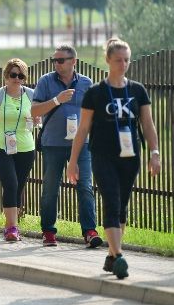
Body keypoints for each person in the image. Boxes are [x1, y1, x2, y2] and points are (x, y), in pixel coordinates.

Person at [68, 38, 161, 279]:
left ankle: (111, 255)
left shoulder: (137, 90)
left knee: (121, 205)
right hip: (103, 155)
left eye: (127, 60)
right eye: (118, 60)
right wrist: (73, 160)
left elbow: (148, 125)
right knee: (110, 199)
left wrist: (154, 153)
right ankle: (119, 256)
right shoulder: (95, 93)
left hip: (130, 156)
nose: (123, 64)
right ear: (108, 60)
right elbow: (83, 129)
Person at [31, 44, 102, 248]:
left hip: (82, 145)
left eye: (61, 60)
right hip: (53, 144)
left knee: (85, 187)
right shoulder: (46, 81)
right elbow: (34, 111)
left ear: (73, 62)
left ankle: (89, 231)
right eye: (54, 60)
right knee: (50, 189)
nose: (56, 64)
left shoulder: (87, 83)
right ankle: (48, 232)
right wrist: (56, 100)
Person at [0, 58, 37, 242]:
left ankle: (10, 225)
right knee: (11, 183)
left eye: (21, 75)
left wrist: (36, 121)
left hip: (26, 147)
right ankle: (12, 228)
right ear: (6, 76)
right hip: (0, 146)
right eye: (13, 74)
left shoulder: (31, 95)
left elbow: (36, 119)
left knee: (18, 187)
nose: (17, 78)